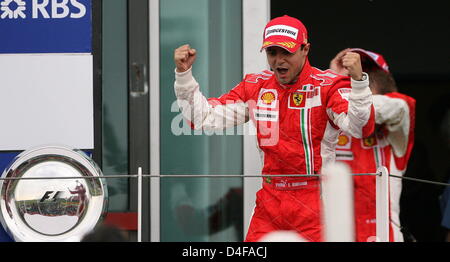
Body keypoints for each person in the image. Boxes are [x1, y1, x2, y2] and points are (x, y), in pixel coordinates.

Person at [173, 15, 375, 242]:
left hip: (316, 200)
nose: (278, 60)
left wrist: (358, 82)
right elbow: (203, 118)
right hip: (270, 201)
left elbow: (361, 128)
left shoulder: (328, 85)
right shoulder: (255, 86)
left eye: (286, 52)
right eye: (272, 52)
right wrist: (184, 76)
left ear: (305, 49)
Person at [331, 48, 416, 242]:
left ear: (381, 82)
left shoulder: (399, 108)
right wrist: (334, 78)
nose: (356, 86)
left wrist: (339, 91)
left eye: (363, 79)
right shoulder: (330, 119)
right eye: (349, 81)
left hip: (384, 237)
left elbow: (374, 107)